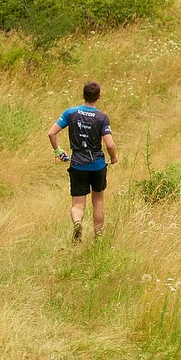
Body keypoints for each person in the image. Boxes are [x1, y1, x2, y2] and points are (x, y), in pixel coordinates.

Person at [47, 80, 117, 242]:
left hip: (78, 164)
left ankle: (77, 223)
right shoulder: (102, 117)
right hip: (97, 165)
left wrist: (58, 151)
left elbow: (51, 133)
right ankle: (98, 236)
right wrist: (113, 157)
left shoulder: (71, 113)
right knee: (98, 201)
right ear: (99, 97)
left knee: (78, 204)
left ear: (83, 95)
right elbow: (110, 144)